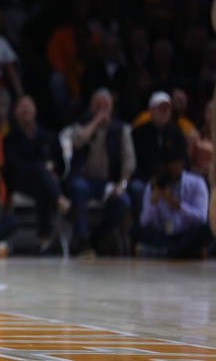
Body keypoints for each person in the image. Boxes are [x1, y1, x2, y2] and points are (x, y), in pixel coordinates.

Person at [67, 88, 135, 255]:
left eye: (106, 106)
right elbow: (77, 142)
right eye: (98, 105)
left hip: (109, 183)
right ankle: (82, 240)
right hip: (85, 181)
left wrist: (122, 185)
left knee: (124, 201)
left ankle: (98, 237)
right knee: (77, 187)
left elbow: (129, 163)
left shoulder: (121, 129)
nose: (102, 110)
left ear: (112, 108)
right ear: (91, 107)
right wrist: (95, 122)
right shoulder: (81, 124)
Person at [4, 95, 69, 251]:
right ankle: (59, 199)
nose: (26, 109)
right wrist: (41, 169)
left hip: (43, 184)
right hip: (20, 181)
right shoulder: (10, 138)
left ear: (35, 110)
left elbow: (61, 166)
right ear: (15, 112)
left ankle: (43, 239)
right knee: (41, 171)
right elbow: (13, 165)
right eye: (22, 106)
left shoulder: (50, 136)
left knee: (43, 186)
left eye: (29, 106)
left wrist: (51, 169)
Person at [135, 156, 211, 258]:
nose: (171, 169)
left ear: (182, 163)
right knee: (136, 230)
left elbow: (202, 218)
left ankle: (165, 253)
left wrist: (177, 205)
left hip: (186, 234)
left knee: (207, 229)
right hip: (163, 236)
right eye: (168, 166)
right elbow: (144, 222)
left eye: (174, 165)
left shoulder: (196, 183)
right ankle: (182, 252)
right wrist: (153, 202)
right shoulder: (154, 186)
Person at [130, 91, 188, 222]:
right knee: (136, 188)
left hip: (171, 179)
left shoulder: (177, 133)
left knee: (187, 186)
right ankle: (143, 228)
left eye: (167, 109)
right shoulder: (138, 133)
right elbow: (135, 163)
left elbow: (182, 161)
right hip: (145, 178)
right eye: (160, 108)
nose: (164, 112)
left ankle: (176, 229)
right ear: (151, 111)